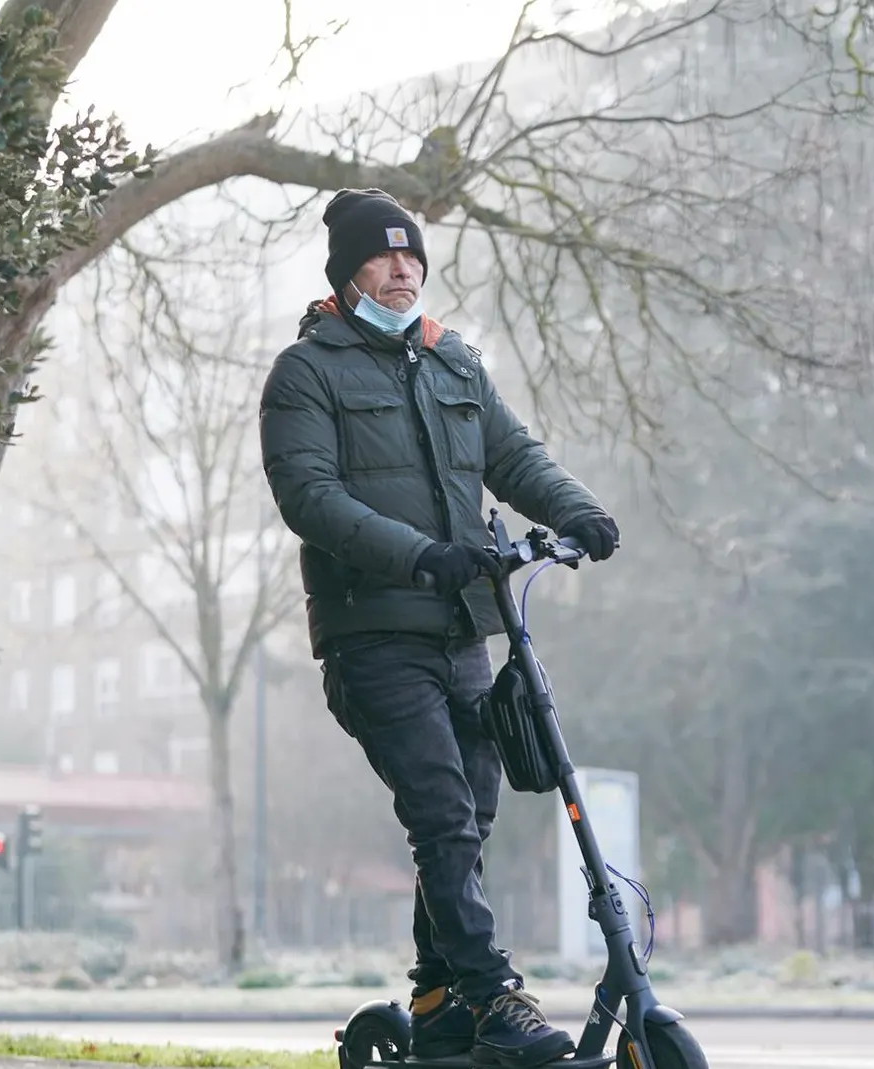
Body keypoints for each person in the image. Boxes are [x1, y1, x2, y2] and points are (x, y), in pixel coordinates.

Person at [259, 188, 620, 1069]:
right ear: (348, 274)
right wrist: (421, 554)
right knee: (442, 809)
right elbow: (311, 498)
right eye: (383, 258)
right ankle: (493, 993)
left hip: (463, 629)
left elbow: (514, 455)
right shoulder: (306, 374)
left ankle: (436, 996)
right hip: (372, 635)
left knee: (476, 807)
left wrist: (581, 512)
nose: (402, 268)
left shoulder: (452, 361)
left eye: (412, 256)